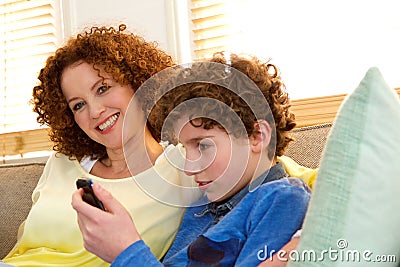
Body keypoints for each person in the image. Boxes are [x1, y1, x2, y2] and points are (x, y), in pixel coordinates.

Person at [71, 52, 312, 266]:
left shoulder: (282, 199)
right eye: (187, 149)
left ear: (257, 136)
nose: (189, 168)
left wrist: (126, 251)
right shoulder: (203, 207)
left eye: (203, 145)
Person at [3, 24, 200, 267]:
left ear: (138, 82)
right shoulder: (62, 163)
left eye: (103, 89)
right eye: (78, 105)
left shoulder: (186, 168)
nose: (95, 111)